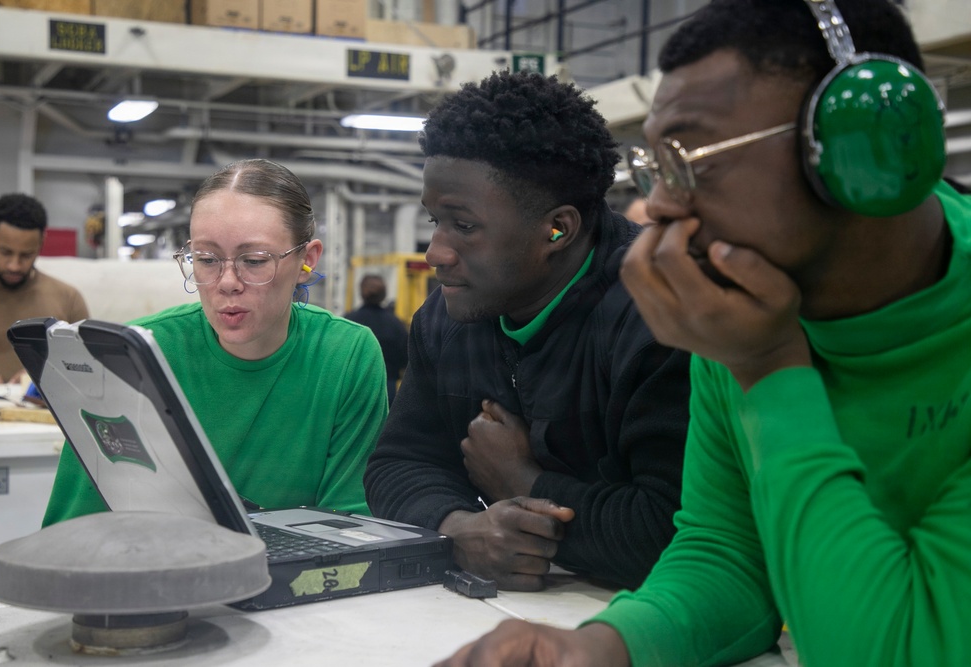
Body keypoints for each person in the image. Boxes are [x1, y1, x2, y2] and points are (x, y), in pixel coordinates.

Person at [435, 0, 971, 665]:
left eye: (692, 158)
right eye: (657, 167)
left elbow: (895, 652)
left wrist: (769, 371)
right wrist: (601, 647)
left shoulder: (752, 339)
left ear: (870, 145)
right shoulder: (749, 313)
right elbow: (727, 555)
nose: (656, 206)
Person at [364, 70, 691, 592]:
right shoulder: (445, 318)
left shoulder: (665, 313)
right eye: (434, 222)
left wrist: (521, 479)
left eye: (464, 226)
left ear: (557, 230)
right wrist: (460, 529)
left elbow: (676, 532)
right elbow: (398, 463)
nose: (436, 254)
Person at [43, 159, 388, 524]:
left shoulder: (345, 357)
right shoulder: (129, 356)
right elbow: (73, 532)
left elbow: (347, 529)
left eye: (254, 261)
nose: (226, 282)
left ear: (306, 259)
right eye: (206, 259)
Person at [0, 193, 89, 384]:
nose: (14, 266)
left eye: (26, 255)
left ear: (41, 242)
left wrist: (50, 379)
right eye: (5, 252)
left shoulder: (68, 299)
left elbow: (89, 372)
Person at [344, 274, 408, 404]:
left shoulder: (348, 322)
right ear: (384, 294)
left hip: (354, 387)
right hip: (386, 387)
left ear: (361, 293)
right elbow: (406, 358)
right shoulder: (395, 324)